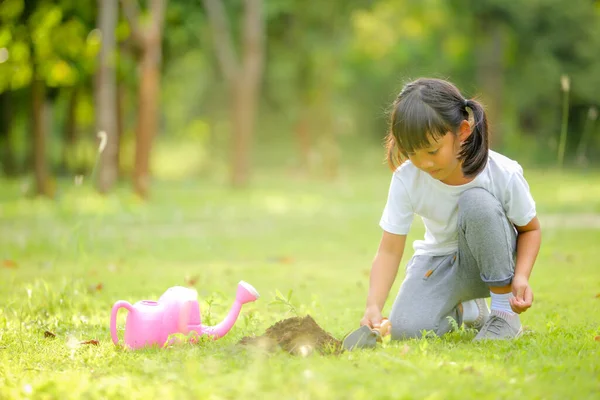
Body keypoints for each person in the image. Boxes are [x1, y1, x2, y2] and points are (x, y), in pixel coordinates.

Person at [360, 78, 541, 341]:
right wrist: (373, 305)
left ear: (463, 131)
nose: (423, 163)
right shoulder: (406, 178)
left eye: (432, 150)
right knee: (407, 330)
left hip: (495, 263)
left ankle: (503, 316)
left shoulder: (501, 173)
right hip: (441, 263)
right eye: (412, 153)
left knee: (476, 202)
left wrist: (522, 277)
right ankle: (467, 311)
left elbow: (531, 229)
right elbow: (389, 248)